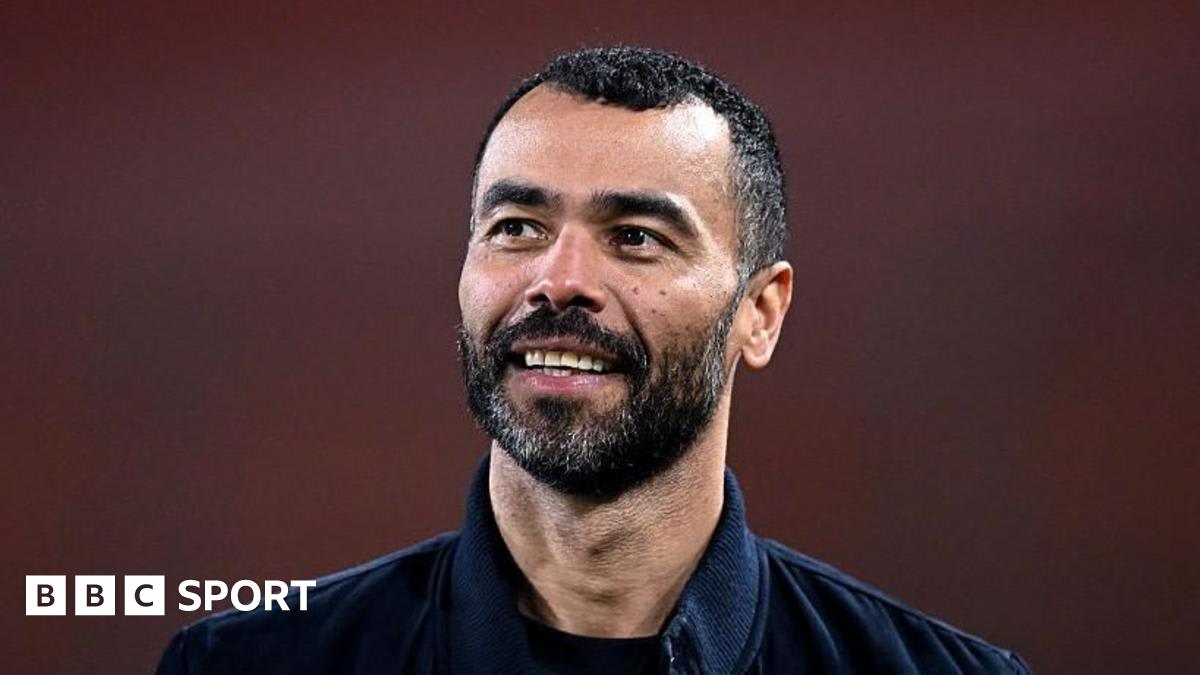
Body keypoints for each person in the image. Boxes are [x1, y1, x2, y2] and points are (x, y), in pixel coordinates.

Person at [156, 46, 1030, 675]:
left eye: (636, 237)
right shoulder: (248, 661)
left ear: (760, 313)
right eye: (517, 228)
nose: (559, 280)